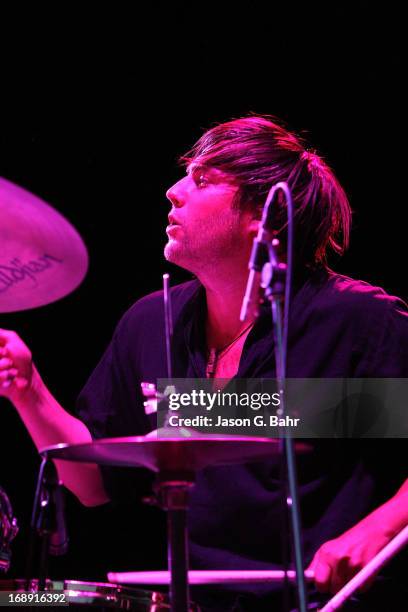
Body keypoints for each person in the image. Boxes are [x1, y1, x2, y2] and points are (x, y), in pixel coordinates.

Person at [0, 116, 407, 610]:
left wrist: (378, 530)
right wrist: (27, 387)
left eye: (202, 179)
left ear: (263, 213)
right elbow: (93, 483)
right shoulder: (153, 323)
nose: (173, 192)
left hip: (324, 600)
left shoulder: (357, 322)